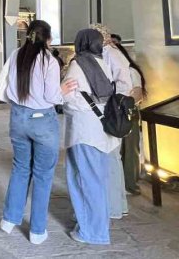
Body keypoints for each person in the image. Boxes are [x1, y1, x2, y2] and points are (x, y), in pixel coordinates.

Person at [0, 21, 77, 245]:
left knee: (21, 168)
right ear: (48, 39)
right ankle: (37, 231)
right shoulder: (48, 61)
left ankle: (9, 219)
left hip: (18, 118)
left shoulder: (16, 55)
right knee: (43, 175)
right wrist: (63, 90)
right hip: (42, 120)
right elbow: (52, 97)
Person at [62, 28, 132, 245]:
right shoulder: (104, 61)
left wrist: (58, 92)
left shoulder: (79, 63)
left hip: (84, 130)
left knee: (85, 180)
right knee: (98, 179)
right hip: (104, 130)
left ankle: (92, 231)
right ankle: (96, 222)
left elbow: (71, 98)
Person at [91, 24, 132, 220]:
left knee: (109, 159)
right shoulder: (112, 53)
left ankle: (111, 207)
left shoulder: (109, 54)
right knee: (110, 158)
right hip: (112, 109)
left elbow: (118, 84)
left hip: (111, 110)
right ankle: (114, 205)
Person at [114, 38, 147, 195]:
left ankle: (130, 184)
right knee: (117, 149)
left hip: (128, 112)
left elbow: (138, 95)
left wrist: (123, 104)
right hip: (115, 113)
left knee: (130, 148)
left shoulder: (131, 71)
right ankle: (119, 181)